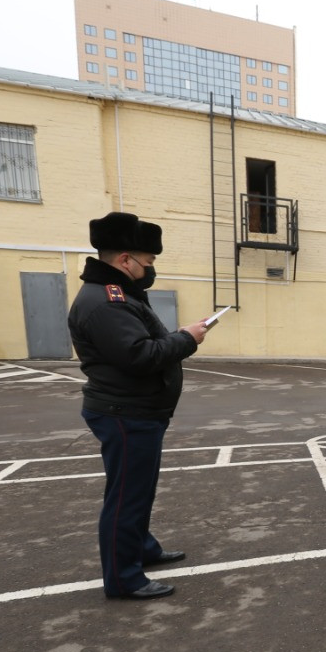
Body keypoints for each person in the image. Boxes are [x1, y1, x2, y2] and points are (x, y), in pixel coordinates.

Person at [67, 212, 208, 600]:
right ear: (125, 259)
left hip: (137, 411)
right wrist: (187, 338)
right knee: (126, 497)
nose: (151, 269)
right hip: (125, 413)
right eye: (148, 262)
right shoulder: (106, 300)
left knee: (139, 491)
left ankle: (142, 549)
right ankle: (124, 578)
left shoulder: (118, 294)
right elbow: (140, 356)